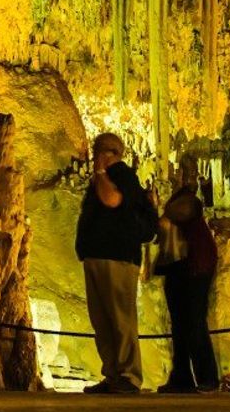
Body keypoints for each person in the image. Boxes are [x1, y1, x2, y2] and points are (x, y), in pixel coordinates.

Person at [76, 132, 155, 393]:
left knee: (120, 320)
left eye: (99, 151)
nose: (95, 156)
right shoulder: (108, 177)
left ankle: (129, 376)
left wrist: (100, 173)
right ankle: (112, 375)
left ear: (110, 153)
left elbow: (112, 201)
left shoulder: (122, 175)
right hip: (98, 256)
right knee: (102, 321)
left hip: (117, 257)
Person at [155, 182, 220, 393]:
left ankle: (207, 378)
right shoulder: (182, 205)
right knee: (179, 325)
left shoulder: (189, 204)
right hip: (178, 266)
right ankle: (181, 376)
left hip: (193, 267)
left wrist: (161, 211)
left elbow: (182, 212)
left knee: (193, 322)